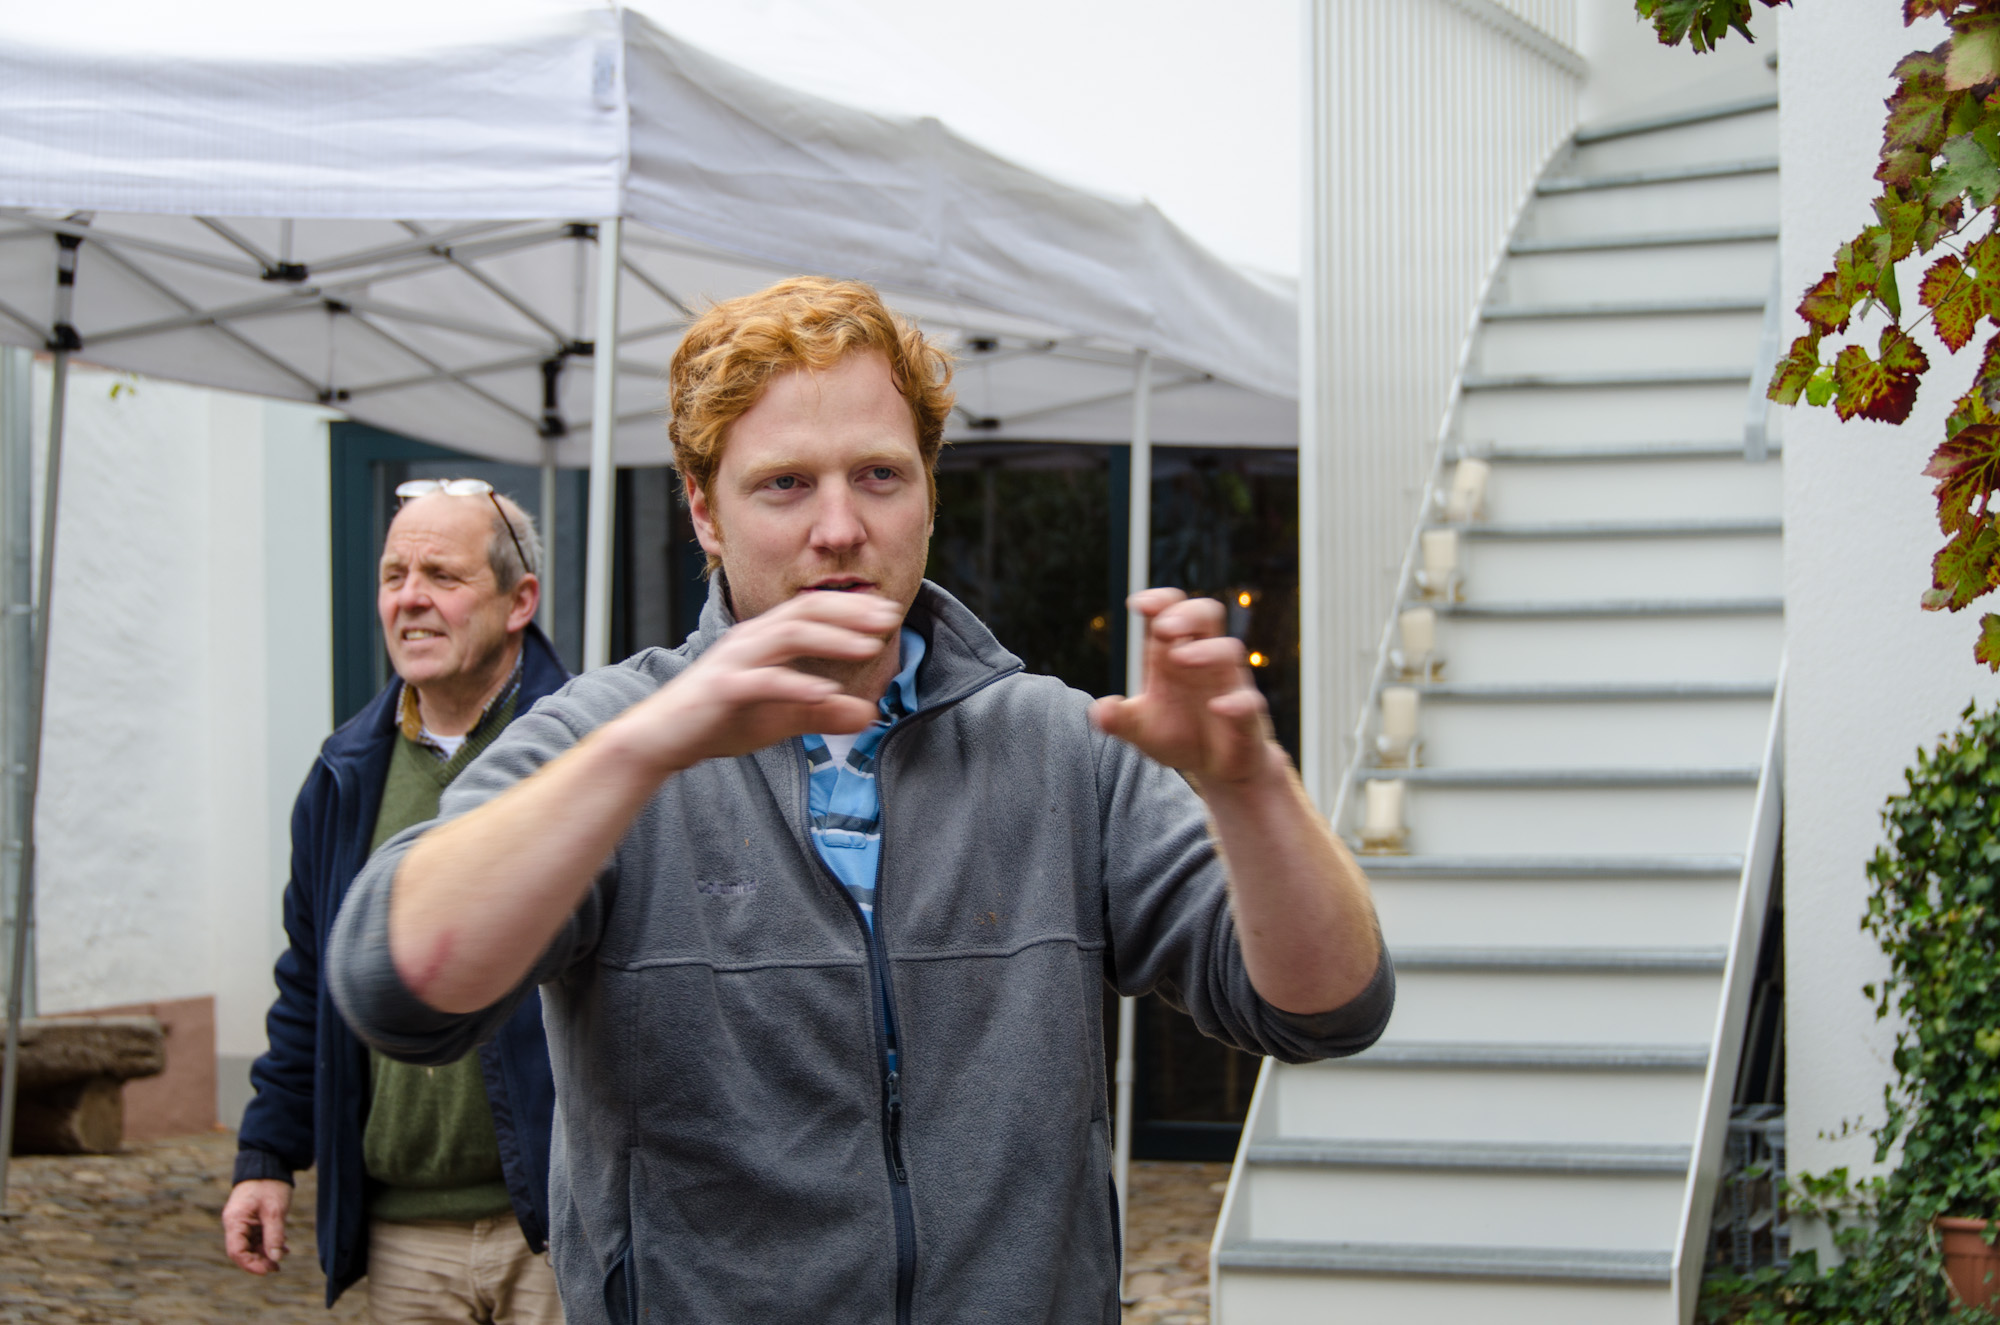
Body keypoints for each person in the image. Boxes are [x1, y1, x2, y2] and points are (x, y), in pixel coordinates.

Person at [328, 277, 1393, 1324]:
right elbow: (397, 985)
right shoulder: (603, 736)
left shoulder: (1063, 745)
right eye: (784, 483)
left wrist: (1249, 786)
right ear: (703, 508)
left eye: (879, 475)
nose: (839, 526)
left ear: (928, 491)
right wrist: (641, 753)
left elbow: (1326, 1006)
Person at [224, 480, 570, 1324]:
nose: (409, 598)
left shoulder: (583, 748)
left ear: (519, 599)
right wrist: (268, 1151)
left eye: (441, 576)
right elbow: (311, 977)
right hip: (404, 1234)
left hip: (563, 1229)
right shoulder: (346, 772)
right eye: (393, 575)